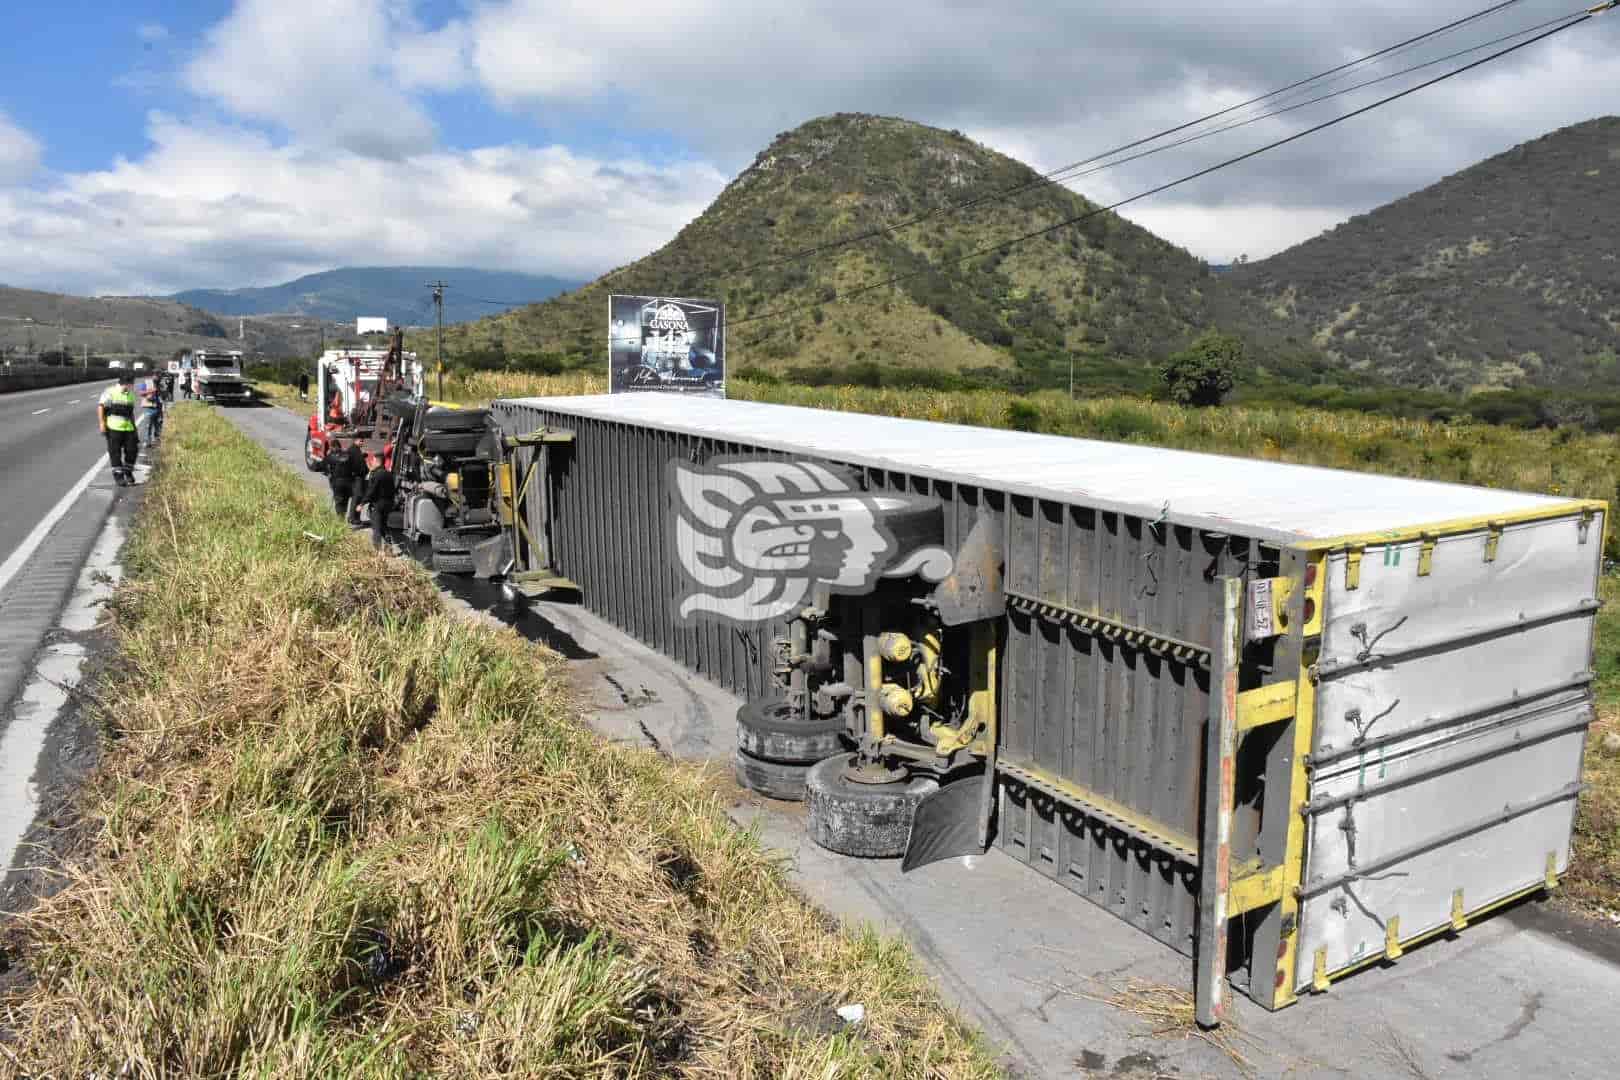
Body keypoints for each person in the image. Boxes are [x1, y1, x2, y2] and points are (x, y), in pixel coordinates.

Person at [98, 371, 140, 486]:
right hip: (113, 427)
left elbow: (130, 413)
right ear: (126, 383)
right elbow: (101, 407)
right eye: (132, 383)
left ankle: (128, 471)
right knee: (115, 453)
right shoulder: (110, 392)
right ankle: (119, 476)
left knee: (132, 450)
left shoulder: (130, 394)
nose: (133, 386)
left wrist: (134, 428)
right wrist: (102, 423)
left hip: (128, 427)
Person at [355, 452, 396, 550]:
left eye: (373, 460)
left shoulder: (376, 475)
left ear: (377, 461)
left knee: (376, 528)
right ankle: (388, 549)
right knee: (384, 527)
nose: (371, 462)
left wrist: (362, 503)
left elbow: (371, 491)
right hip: (388, 504)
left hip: (378, 505)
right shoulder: (389, 474)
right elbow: (393, 490)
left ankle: (377, 551)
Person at [326, 439, 356, 521]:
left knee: (338, 500)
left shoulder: (331, 456)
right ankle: (343, 515)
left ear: (332, 447)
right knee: (345, 500)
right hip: (348, 483)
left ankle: (340, 518)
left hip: (337, 483)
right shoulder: (348, 455)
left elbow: (324, 467)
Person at [343, 439, 368, 525]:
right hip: (357, 477)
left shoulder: (355, 450)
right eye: (361, 441)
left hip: (358, 477)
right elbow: (357, 465)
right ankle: (352, 518)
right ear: (356, 440)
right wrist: (364, 471)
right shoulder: (353, 450)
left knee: (358, 498)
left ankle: (356, 518)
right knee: (357, 497)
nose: (362, 443)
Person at [139, 376, 164, 445]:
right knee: (148, 425)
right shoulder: (146, 383)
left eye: (159, 375)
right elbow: (141, 393)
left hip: (159, 407)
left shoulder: (160, 384)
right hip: (149, 407)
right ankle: (148, 441)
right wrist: (151, 391)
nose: (157, 377)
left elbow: (163, 395)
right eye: (156, 375)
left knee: (158, 424)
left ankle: (157, 439)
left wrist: (162, 391)